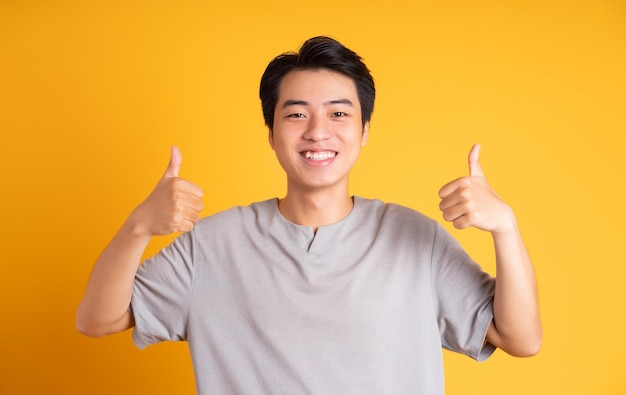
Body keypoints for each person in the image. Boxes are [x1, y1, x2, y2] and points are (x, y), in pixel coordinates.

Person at [76, 36, 542, 394]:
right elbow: (97, 319)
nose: (318, 132)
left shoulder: (416, 237)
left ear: (364, 132)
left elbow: (519, 338)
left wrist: (505, 227)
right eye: (296, 115)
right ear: (272, 132)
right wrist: (139, 226)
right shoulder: (212, 244)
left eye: (339, 114)